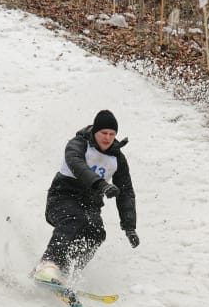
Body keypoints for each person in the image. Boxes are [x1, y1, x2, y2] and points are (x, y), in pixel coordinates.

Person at [33, 110, 139, 283]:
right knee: (73, 218)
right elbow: (77, 165)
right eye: (103, 133)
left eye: (112, 134)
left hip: (90, 204)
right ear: (95, 131)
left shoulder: (117, 158)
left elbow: (126, 191)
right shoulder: (79, 144)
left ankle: (67, 271)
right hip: (62, 197)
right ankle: (48, 264)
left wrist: (129, 226)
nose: (107, 138)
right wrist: (101, 184)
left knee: (96, 233)